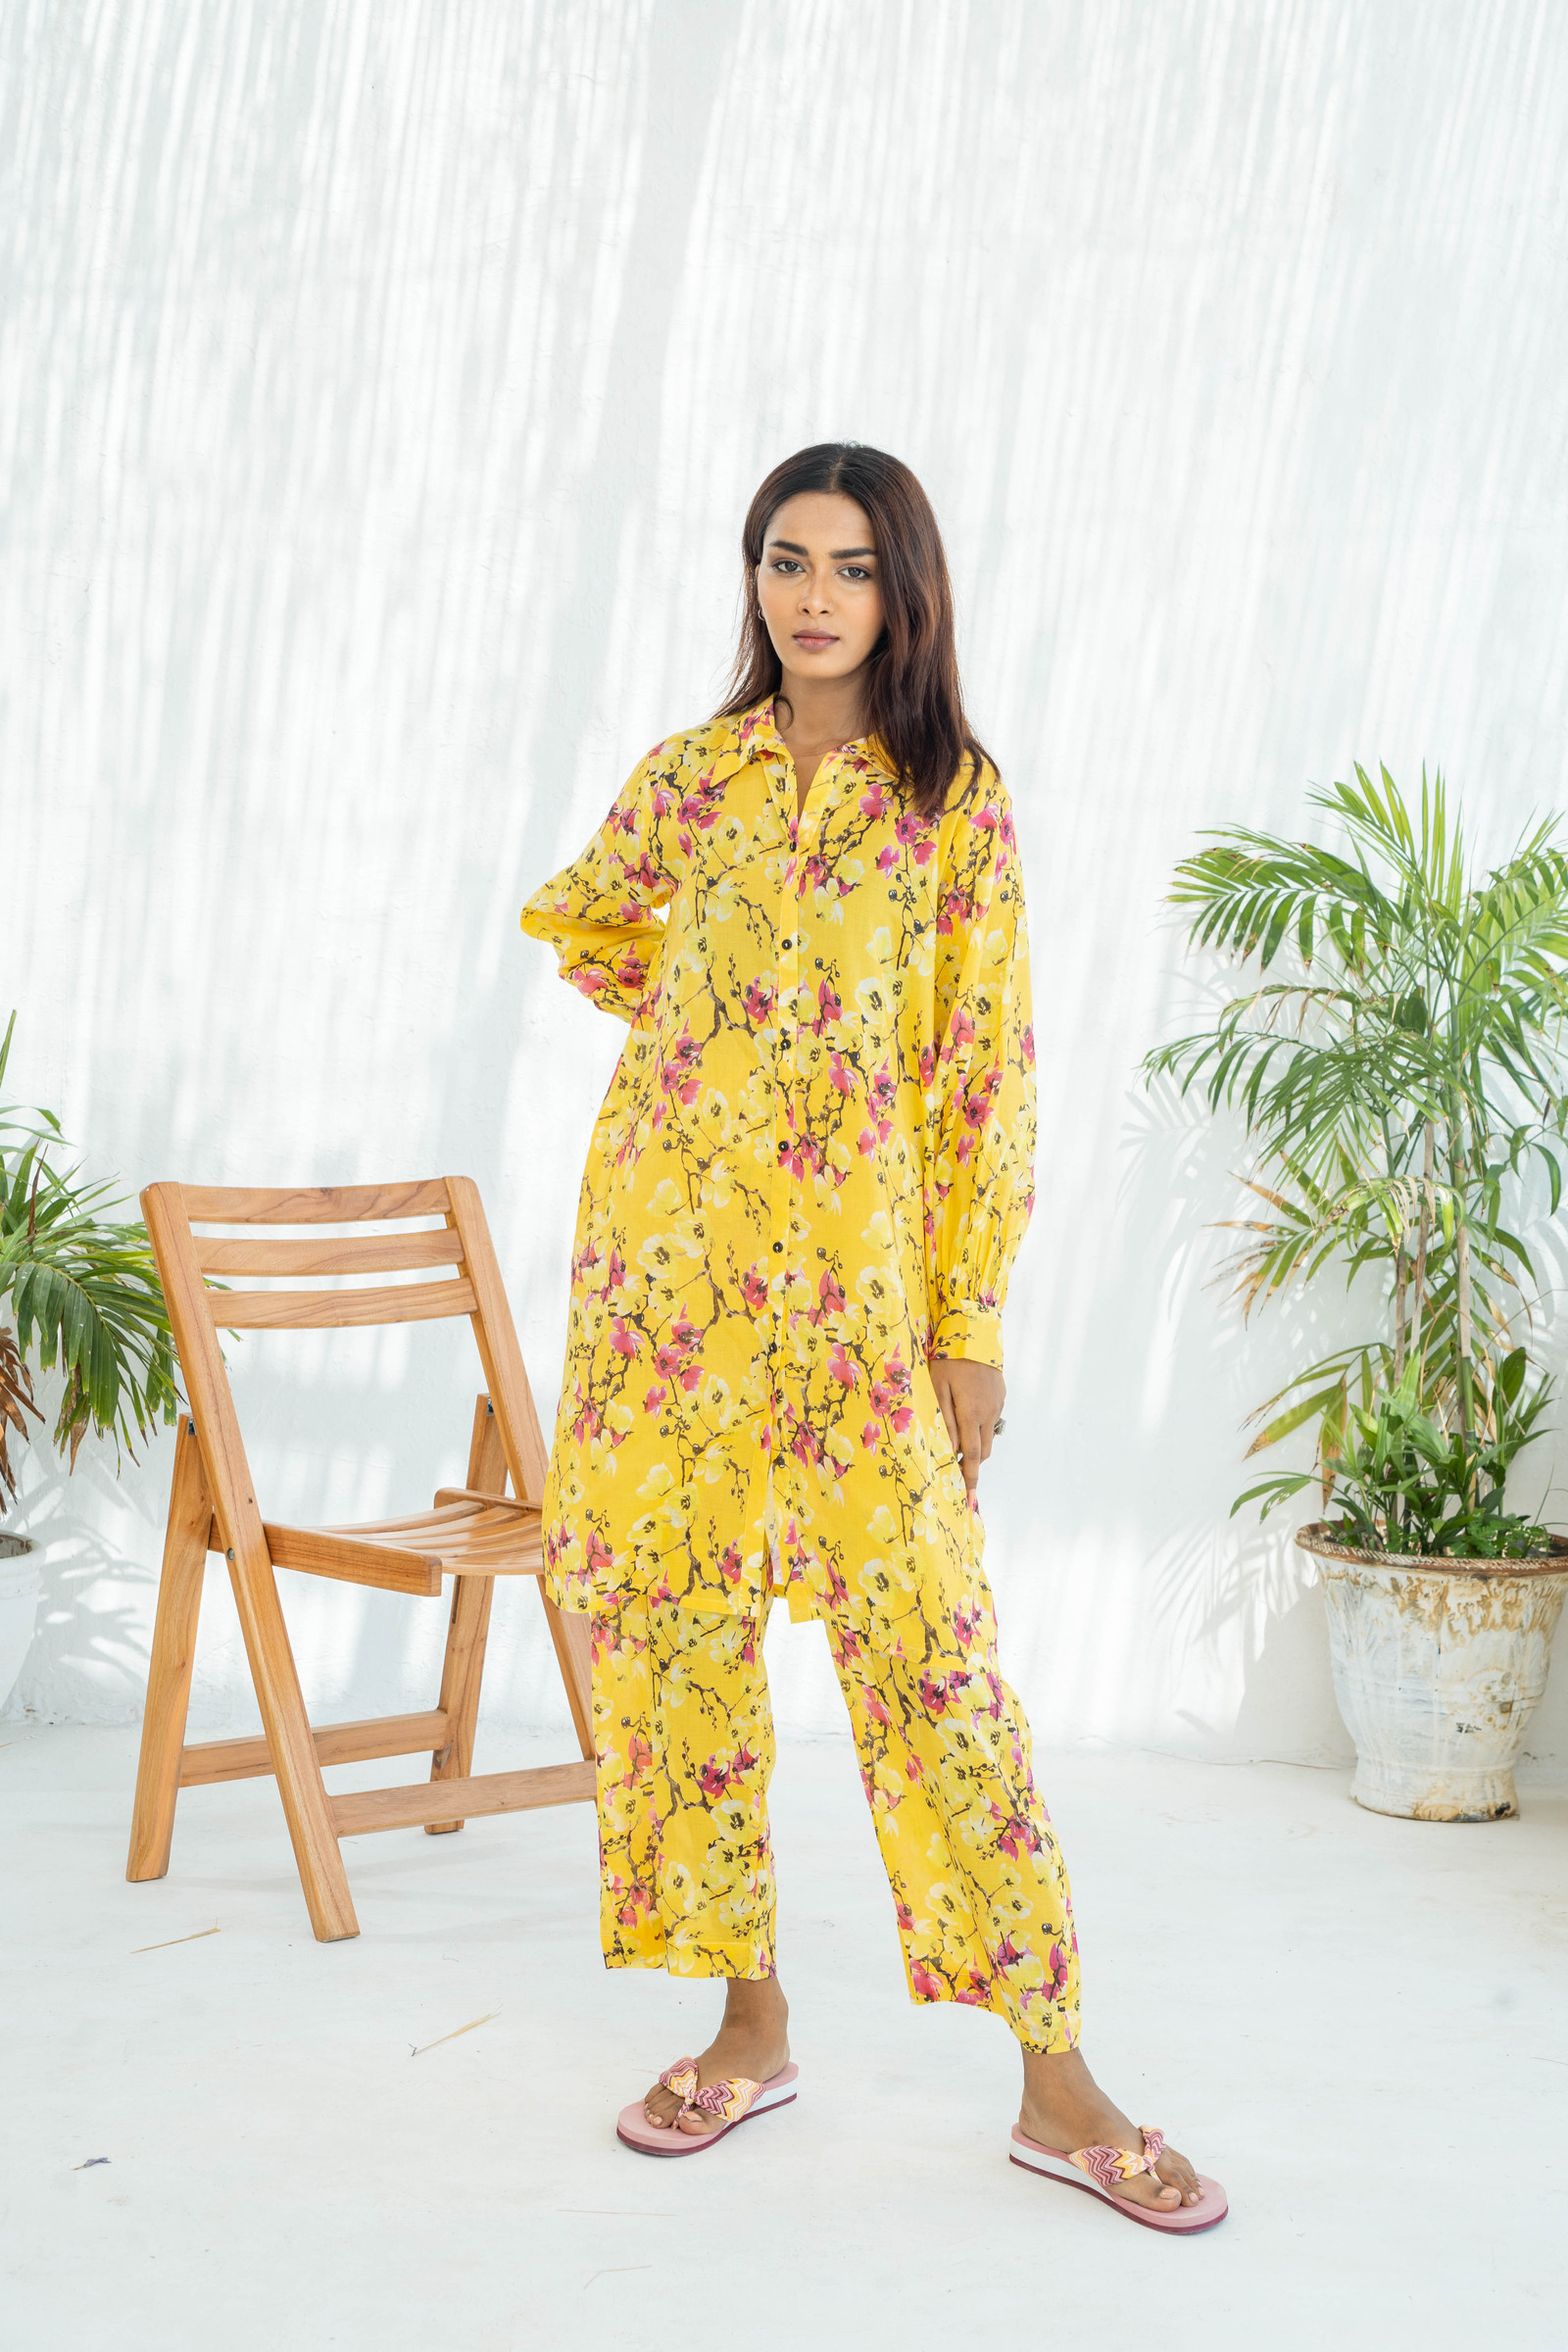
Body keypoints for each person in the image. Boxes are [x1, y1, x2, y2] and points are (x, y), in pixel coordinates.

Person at [520, 442, 1224, 2231]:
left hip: (863, 1313)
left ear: (904, 589)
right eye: (785, 560)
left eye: (849, 565)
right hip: (667, 1292)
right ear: (752, 579)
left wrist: (966, 1325)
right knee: (677, 1652)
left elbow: (983, 1076)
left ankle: (1057, 2083)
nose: (814, 595)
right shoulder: (692, 779)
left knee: (937, 1674)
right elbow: (585, 922)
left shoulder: (952, 800)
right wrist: (708, 1037)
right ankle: (746, 2025)